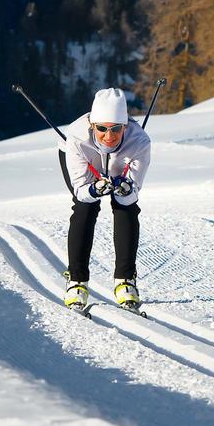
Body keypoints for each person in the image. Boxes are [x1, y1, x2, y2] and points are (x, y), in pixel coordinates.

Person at [58, 87, 152, 312]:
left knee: (125, 207)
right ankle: (77, 282)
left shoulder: (139, 142)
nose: (108, 136)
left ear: (125, 126)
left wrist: (126, 188)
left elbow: (132, 195)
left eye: (116, 129)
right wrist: (94, 190)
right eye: (101, 128)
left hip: (121, 161)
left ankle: (125, 280)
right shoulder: (77, 137)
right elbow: (81, 190)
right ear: (92, 125)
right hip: (85, 158)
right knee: (85, 208)